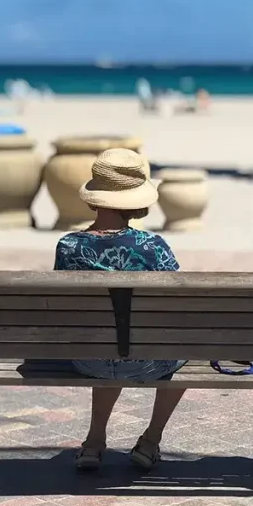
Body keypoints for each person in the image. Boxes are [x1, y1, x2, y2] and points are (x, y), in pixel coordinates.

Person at [54, 148, 187, 472]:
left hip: (88, 359)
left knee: (108, 337)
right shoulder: (153, 247)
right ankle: (151, 440)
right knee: (187, 346)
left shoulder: (68, 246)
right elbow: (177, 302)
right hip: (146, 363)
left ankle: (94, 442)